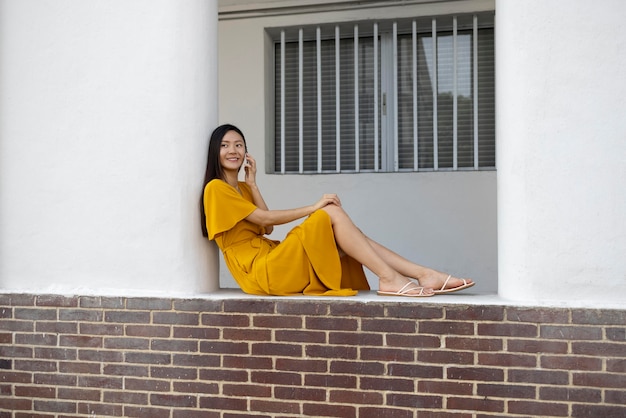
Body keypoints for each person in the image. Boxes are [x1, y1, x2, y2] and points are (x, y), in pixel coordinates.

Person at [201, 123, 474, 297]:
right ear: (216, 152)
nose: (233, 150)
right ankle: (391, 277)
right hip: (260, 272)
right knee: (328, 213)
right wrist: (313, 206)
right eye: (225, 145)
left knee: (349, 234)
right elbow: (263, 218)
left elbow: (268, 229)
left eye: (238, 145)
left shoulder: (244, 189)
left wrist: (254, 185)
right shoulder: (215, 188)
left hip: (272, 258)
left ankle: (421, 273)